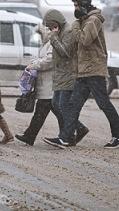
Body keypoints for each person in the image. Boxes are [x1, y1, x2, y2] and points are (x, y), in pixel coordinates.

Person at [44, 0, 119, 149]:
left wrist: (74, 25)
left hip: (94, 70)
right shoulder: (84, 21)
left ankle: (118, 135)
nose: (75, 8)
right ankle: (65, 138)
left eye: (76, 5)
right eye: (74, 5)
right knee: (73, 105)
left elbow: (84, 39)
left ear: (84, 5)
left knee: (104, 104)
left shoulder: (93, 20)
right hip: (82, 72)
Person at [44, 8, 89, 146]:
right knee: (56, 104)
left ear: (56, 22)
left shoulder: (68, 32)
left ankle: (69, 135)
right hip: (61, 75)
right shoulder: (60, 31)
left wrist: (54, 38)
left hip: (68, 75)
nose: (50, 29)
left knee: (63, 105)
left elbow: (64, 52)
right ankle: (76, 130)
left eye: (51, 26)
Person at [15, 24, 65, 145]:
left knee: (43, 112)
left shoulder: (52, 44)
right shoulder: (46, 44)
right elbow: (39, 58)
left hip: (49, 84)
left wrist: (35, 65)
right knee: (55, 112)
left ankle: (30, 136)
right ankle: (73, 132)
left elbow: (49, 60)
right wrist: (33, 62)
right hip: (45, 84)